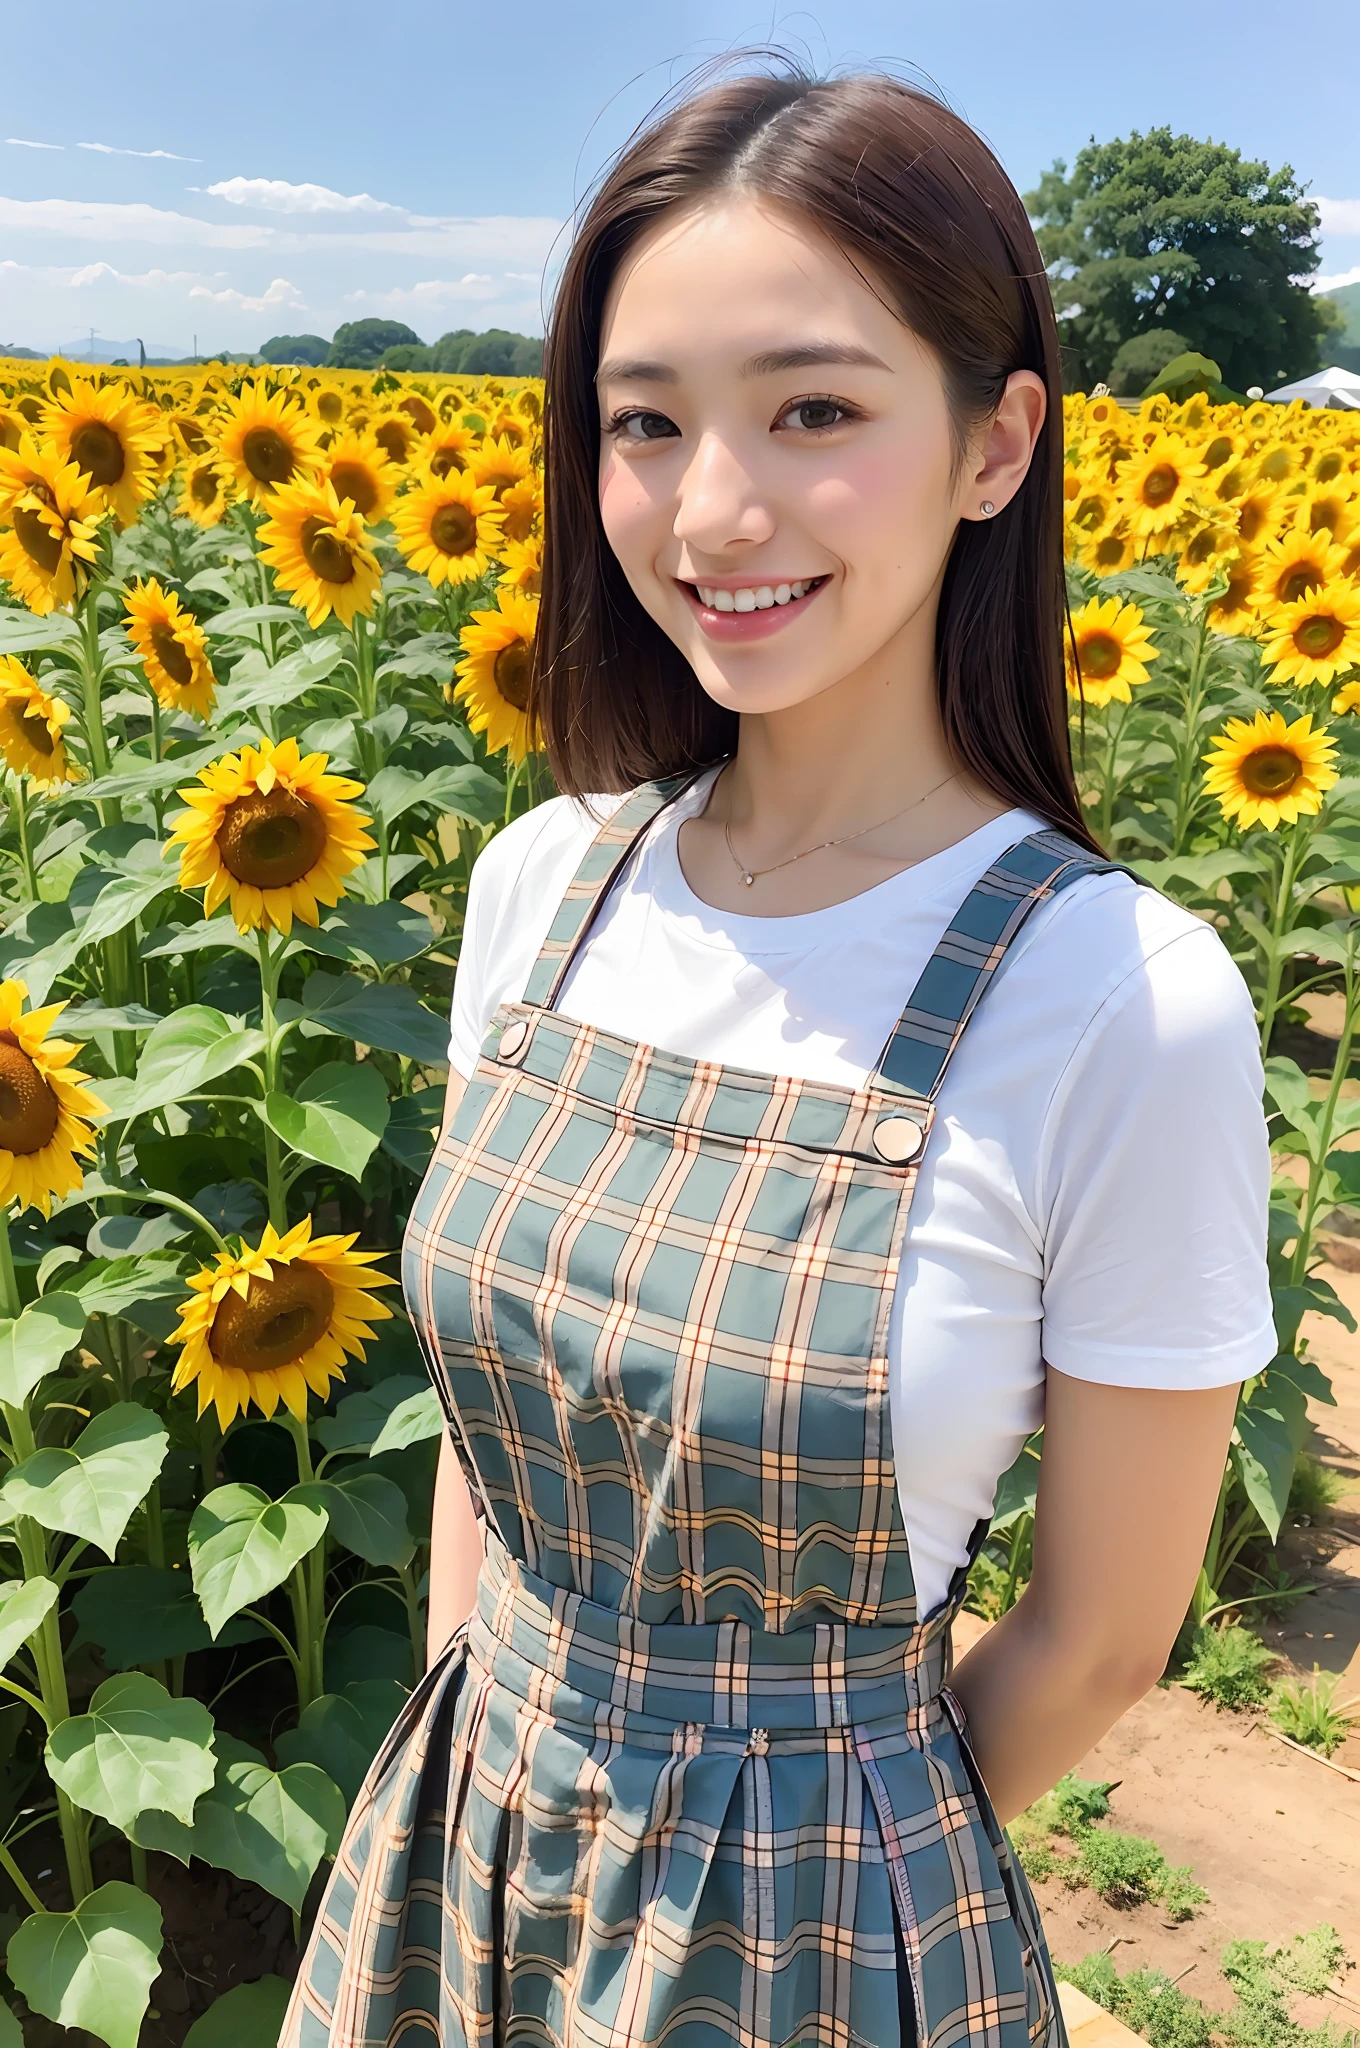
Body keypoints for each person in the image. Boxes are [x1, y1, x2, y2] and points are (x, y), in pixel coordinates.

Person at [284, 65, 1272, 2048]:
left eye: (811, 411)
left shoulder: (1112, 1000)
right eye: (643, 424)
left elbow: (1092, 1637)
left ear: (993, 445)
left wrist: (796, 1845)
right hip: (464, 1826)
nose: (710, 507)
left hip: (815, 1923)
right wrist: (505, 1730)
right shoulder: (545, 882)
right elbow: (489, 1430)